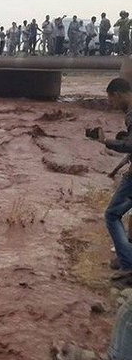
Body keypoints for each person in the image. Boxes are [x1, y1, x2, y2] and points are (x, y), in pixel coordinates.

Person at [91, 78, 132, 277]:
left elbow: (131, 145)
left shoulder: (131, 114)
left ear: (117, 94)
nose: (111, 105)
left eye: (111, 100)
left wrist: (106, 142)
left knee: (112, 215)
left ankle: (128, 264)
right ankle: (127, 256)